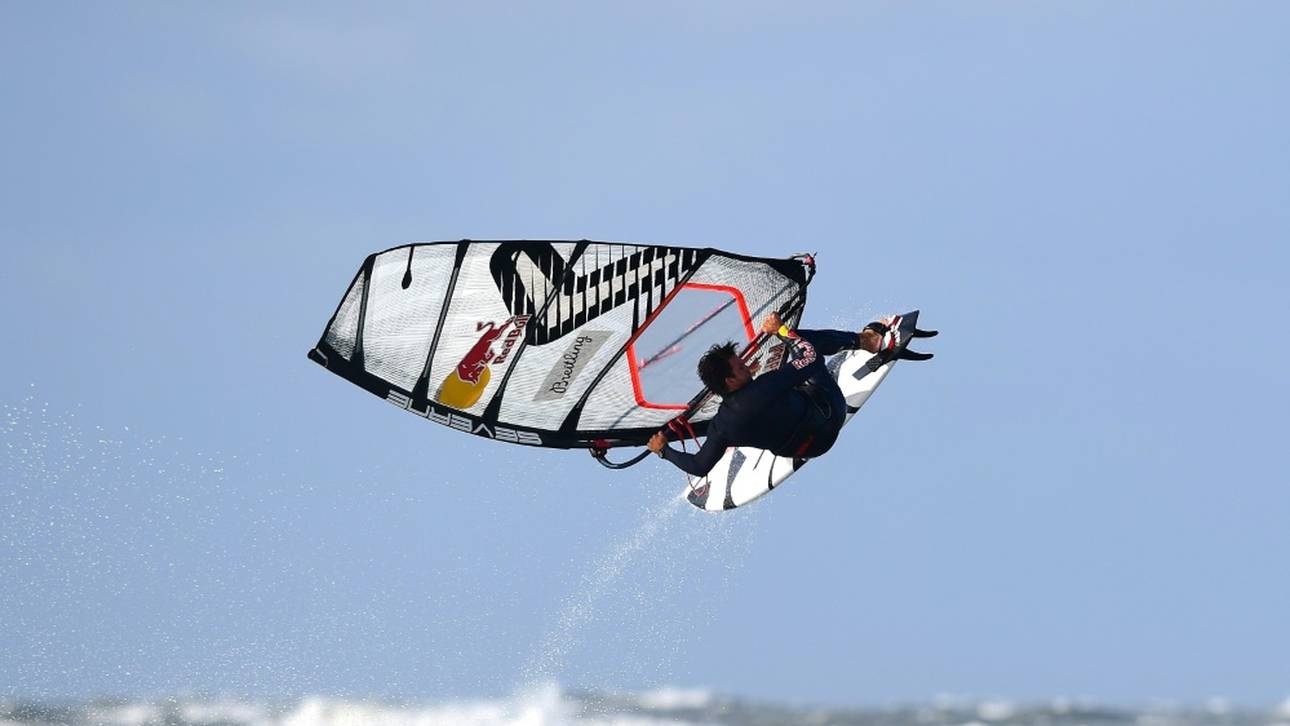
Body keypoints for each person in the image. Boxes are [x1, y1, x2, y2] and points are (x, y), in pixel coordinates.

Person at [647, 313, 935, 477]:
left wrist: (663, 450)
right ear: (730, 380)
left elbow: (699, 466)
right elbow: (809, 357)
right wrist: (781, 331)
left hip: (807, 450)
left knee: (754, 417)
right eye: (740, 365)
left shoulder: (722, 424)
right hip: (828, 415)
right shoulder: (764, 387)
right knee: (801, 342)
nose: (746, 364)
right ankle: (872, 340)